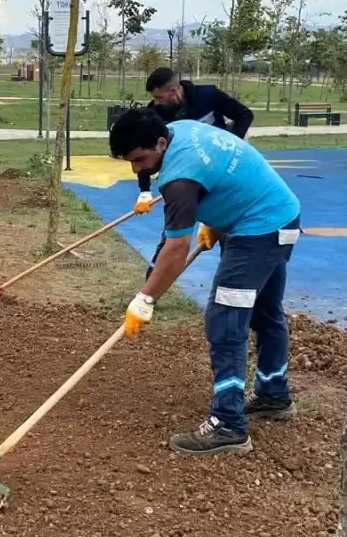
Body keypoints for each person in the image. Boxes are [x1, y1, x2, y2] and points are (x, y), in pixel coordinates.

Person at [111, 108, 301, 456]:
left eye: (139, 159)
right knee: (264, 312)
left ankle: (228, 424)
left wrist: (145, 299)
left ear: (160, 142)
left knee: (225, 319)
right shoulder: (179, 129)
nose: (137, 169)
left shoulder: (178, 179)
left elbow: (176, 248)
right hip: (279, 216)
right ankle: (274, 394)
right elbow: (215, 172)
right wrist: (217, 215)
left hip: (258, 231)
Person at [132, 67, 256, 277]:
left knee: (228, 228)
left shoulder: (208, 96)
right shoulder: (155, 114)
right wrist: (144, 190)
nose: (157, 102)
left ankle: (235, 278)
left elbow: (245, 115)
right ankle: (150, 286)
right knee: (173, 234)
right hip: (183, 180)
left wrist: (232, 145)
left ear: (174, 91)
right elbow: (144, 151)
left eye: (159, 97)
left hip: (221, 178)